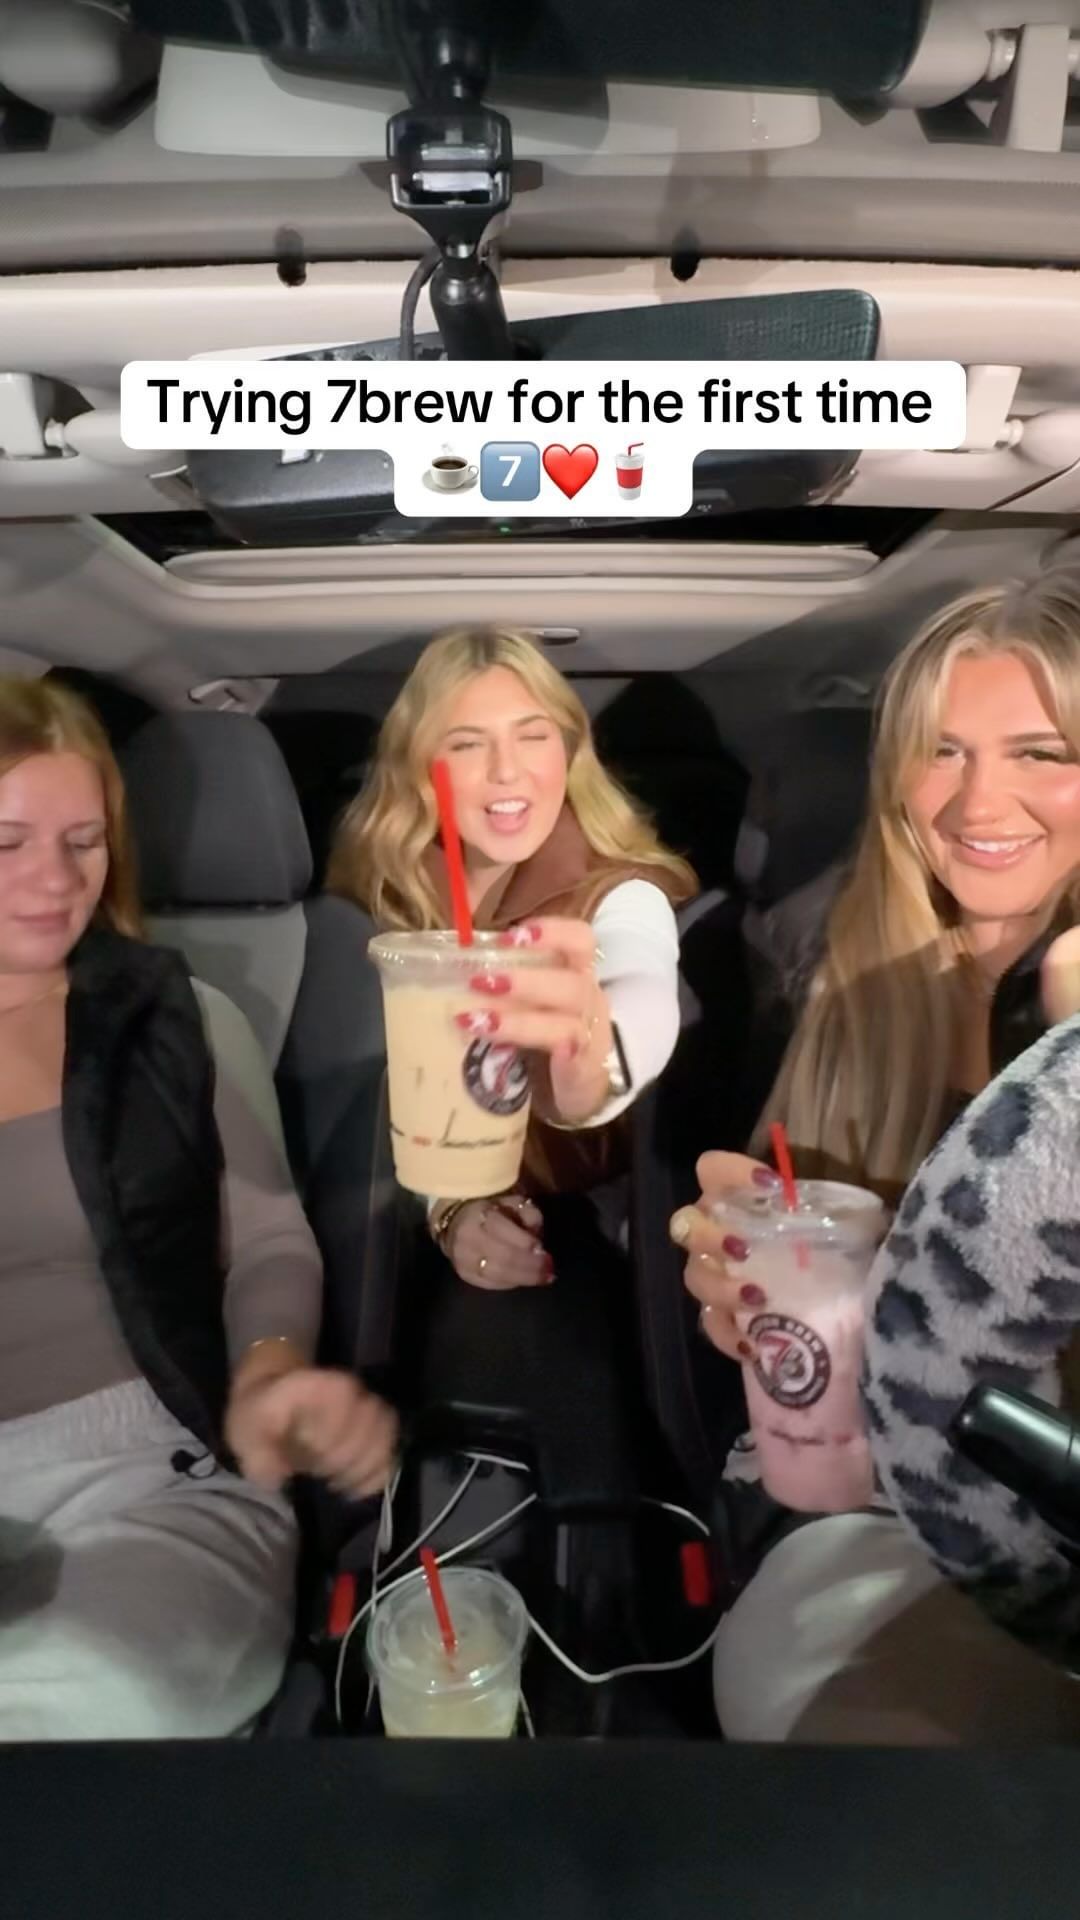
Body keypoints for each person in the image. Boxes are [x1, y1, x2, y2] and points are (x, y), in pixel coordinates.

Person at [670, 573, 1080, 1743]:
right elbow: (774, 1244)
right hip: (860, 1504)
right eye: (941, 751)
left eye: (1042, 753)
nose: (978, 800)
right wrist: (732, 1277)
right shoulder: (849, 978)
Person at [0, 678, 398, 1741]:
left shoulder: (173, 1021)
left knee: (71, 1696)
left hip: (149, 1474)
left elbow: (268, 1239)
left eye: (84, 842)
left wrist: (267, 1373)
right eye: (9, 842)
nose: (55, 880)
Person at [328, 626, 696, 1287]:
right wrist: (448, 1206)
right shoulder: (375, 899)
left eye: (533, 736)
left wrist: (592, 1061)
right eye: (467, 743)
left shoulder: (617, 893)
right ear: (420, 766)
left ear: (568, 753)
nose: (507, 769)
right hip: (381, 1222)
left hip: (571, 1226)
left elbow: (639, 982)